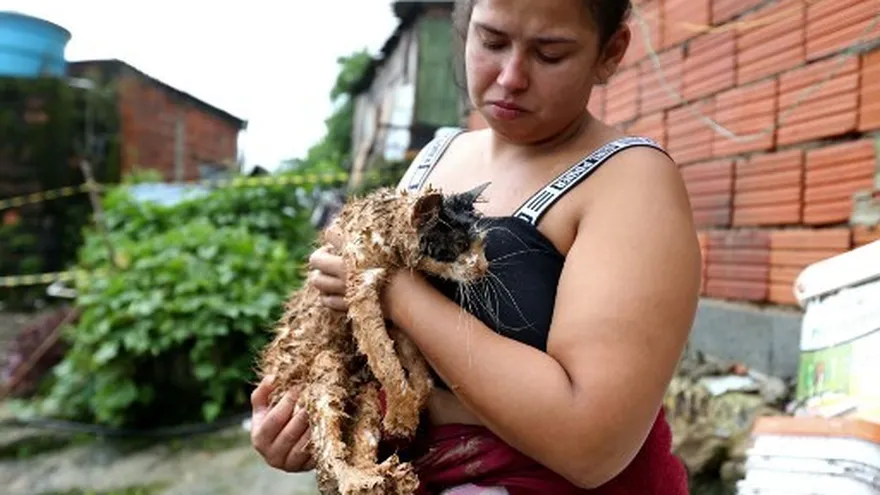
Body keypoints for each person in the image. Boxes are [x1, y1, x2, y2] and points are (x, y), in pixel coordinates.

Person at [250, 0, 702, 493]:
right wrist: (314, 425)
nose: (511, 77)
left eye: (549, 54)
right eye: (491, 41)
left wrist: (392, 292)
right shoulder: (434, 158)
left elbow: (591, 445)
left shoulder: (630, 182)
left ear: (609, 53)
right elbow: (385, 363)